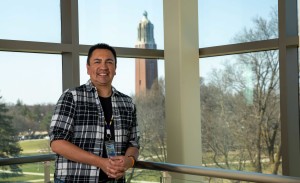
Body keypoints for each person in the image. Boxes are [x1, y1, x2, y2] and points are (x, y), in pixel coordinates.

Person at [49, 43, 140, 183]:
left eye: (109, 62)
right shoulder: (72, 96)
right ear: (88, 68)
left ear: (115, 68)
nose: (103, 67)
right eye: (97, 61)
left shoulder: (127, 103)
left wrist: (129, 161)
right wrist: (100, 162)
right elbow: (57, 143)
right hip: (74, 180)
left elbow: (133, 144)